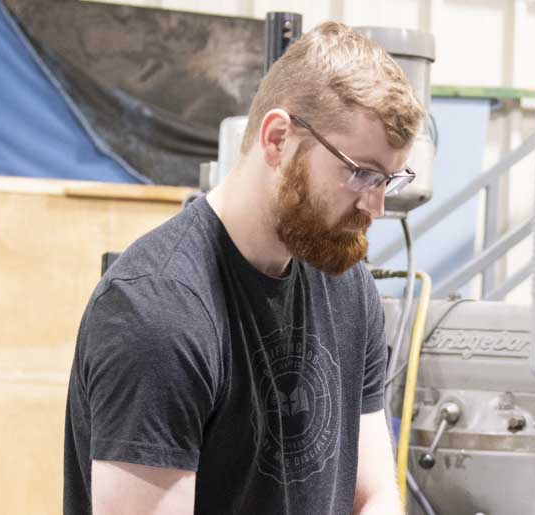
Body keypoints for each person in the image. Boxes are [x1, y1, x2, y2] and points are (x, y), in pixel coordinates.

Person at [62, 21, 425, 514]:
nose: (375, 206)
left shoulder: (347, 287)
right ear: (277, 139)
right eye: (360, 173)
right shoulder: (159, 311)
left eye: (388, 179)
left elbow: (374, 493)